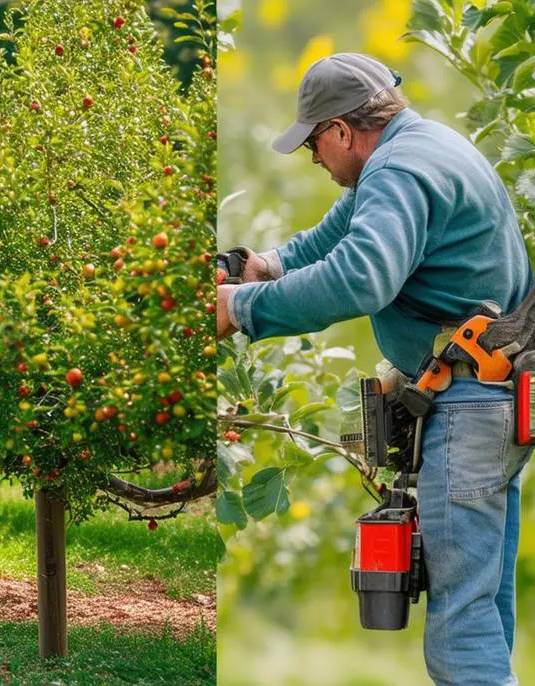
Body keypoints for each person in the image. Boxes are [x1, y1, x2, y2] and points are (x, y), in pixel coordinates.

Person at [217, 53, 534, 685]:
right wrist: (268, 266)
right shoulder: (422, 146)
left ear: (340, 130)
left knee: (460, 621)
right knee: (484, 604)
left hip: (470, 409)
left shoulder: (396, 169)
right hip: (498, 398)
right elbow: (343, 232)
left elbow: (360, 276)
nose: (313, 158)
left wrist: (240, 309)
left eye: (312, 143)